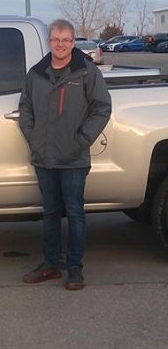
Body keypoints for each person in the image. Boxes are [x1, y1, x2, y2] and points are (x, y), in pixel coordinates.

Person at [18, 19, 112, 290]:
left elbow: (102, 108)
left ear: (73, 42)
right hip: (44, 156)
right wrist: (33, 136)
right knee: (49, 213)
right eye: (56, 40)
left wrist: (82, 140)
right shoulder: (36, 73)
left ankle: (74, 269)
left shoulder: (86, 72)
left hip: (73, 157)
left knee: (74, 212)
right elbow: (25, 108)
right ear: (49, 42)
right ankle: (50, 264)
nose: (60, 45)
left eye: (66, 40)